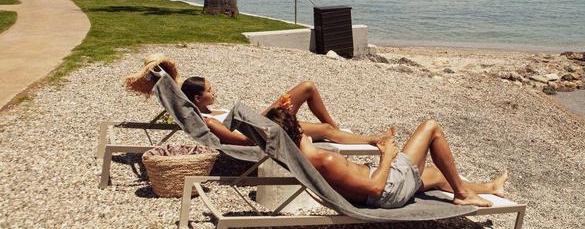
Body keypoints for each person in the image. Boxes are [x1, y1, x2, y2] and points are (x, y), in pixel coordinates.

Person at [267, 107, 507, 209]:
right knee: (431, 127)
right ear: (299, 129)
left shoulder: (303, 156)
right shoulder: (323, 160)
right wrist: (387, 156)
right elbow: (374, 188)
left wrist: (372, 142)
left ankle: (489, 187)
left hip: (386, 187)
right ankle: (462, 194)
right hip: (387, 190)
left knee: (438, 174)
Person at [181, 77, 394, 147]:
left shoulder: (210, 109)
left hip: (261, 123)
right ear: (197, 98)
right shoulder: (209, 122)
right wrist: (275, 120)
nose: (213, 91)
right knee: (325, 130)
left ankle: (340, 131)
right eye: (209, 90)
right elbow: (244, 141)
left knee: (307, 87)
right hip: (263, 133)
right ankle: (373, 140)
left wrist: (273, 113)